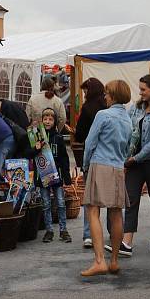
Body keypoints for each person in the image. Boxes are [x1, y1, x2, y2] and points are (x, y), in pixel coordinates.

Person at [114, 74, 150, 255]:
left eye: (144, 90)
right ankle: (127, 241)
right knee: (131, 200)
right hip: (134, 161)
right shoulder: (136, 108)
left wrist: (135, 158)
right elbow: (127, 128)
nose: (141, 93)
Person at [81, 80, 132, 277]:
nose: (105, 96)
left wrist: (85, 166)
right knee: (116, 213)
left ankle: (99, 260)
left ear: (113, 95)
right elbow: (129, 147)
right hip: (118, 167)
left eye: (107, 93)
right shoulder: (128, 119)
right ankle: (114, 261)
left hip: (100, 163)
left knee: (93, 211)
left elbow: (90, 143)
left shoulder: (103, 115)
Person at [75, 77, 106, 248]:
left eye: (85, 90)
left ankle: (89, 234)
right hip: (109, 159)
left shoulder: (87, 108)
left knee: (90, 200)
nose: (84, 93)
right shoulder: (108, 106)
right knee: (112, 202)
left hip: (93, 156)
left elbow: (80, 135)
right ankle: (115, 233)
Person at [39, 108, 72, 243]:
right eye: (45, 119)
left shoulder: (58, 138)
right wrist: (35, 148)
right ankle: (49, 230)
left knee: (61, 202)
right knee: (46, 204)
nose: (47, 121)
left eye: (50, 119)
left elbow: (64, 158)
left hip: (56, 175)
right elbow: (29, 153)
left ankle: (63, 230)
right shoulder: (37, 137)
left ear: (55, 121)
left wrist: (67, 176)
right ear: (41, 120)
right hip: (41, 177)